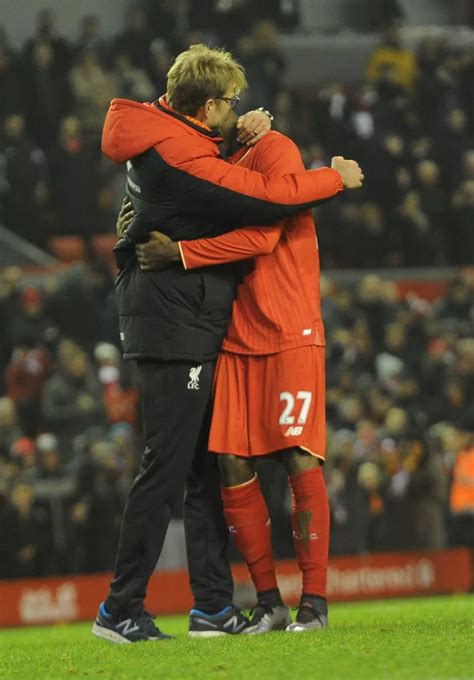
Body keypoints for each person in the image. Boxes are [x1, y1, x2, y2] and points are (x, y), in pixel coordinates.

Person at [94, 43, 362, 643]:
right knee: (169, 468)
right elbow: (264, 206)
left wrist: (237, 137)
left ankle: (219, 606)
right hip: (179, 323)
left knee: (203, 469)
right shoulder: (182, 158)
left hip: (217, 322)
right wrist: (334, 178)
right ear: (209, 106)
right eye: (230, 103)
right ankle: (120, 608)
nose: (239, 110)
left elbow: (213, 180)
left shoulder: (166, 135)